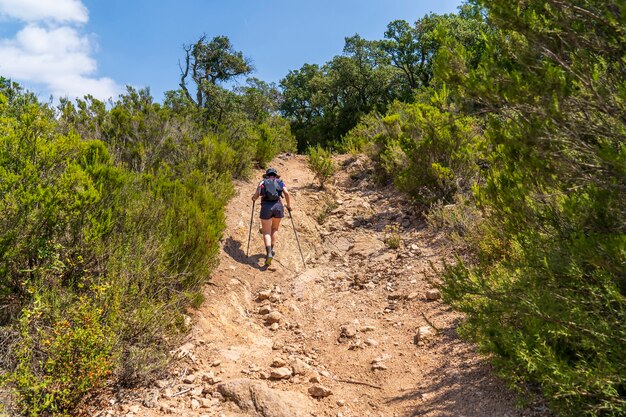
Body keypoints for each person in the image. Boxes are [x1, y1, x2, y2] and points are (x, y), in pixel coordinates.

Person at [251, 167, 291, 266]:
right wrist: (289, 206)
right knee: (275, 229)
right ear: (275, 175)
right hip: (278, 206)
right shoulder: (280, 182)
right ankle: (271, 250)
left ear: (267, 175)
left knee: (266, 232)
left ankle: (268, 253)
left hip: (266, 207)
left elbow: (256, 195)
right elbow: (286, 193)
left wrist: (253, 198)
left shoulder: (262, 182)